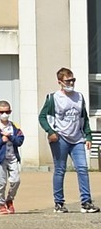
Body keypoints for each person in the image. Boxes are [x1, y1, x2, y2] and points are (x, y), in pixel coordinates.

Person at [39, 67, 96, 212]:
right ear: (60, 82)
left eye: (73, 80)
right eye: (67, 81)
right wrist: (50, 131)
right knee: (60, 170)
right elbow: (42, 117)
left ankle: (86, 202)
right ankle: (59, 203)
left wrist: (88, 135)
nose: (71, 83)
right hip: (60, 138)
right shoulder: (53, 98)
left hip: (77, 138)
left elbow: (84, 118)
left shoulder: (79, 97)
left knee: (82, 168)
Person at [0, 98, 24, 213]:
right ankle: (1, 204)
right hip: (0, 159)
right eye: (2, 112)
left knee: (16, 181)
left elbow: (20, 140)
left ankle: (10, 199)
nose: (4, 114)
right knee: (1, 183)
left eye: (7, 112)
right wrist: (2, 140)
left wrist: (11, 137)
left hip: (12, 158)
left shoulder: (15, 127)